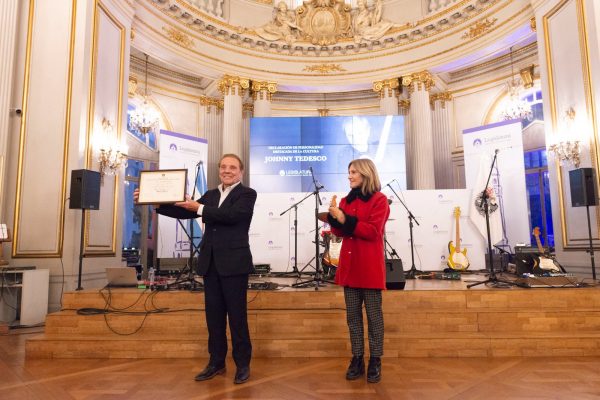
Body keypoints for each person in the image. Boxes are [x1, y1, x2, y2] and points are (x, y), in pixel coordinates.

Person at [134, 154, 257, 385]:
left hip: (234, 265)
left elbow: (231, 216)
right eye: (223, 167)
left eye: (232, 167)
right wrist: (154, 202)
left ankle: (242, 365)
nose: (227, 171)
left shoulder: (247, 194)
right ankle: (216, 363)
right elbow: (186, 211)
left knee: (237, 318)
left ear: (241, 171)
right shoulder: (211, 194)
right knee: (214, 318)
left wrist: (198, 207)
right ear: (219, 170)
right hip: (210, 264)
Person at [323, 158, 389, 383]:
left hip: (369, 269)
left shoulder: (380, 200)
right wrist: (334, 218)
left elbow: (372, 231)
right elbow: (340, 233)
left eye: (353, 172)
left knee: (374, 317)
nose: (349, 176)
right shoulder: (345, 200)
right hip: (350, 268)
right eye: (348, 172)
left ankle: (375, 360)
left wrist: (344, 218)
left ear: (365, 174)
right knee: (353, 317)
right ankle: (357, 358)